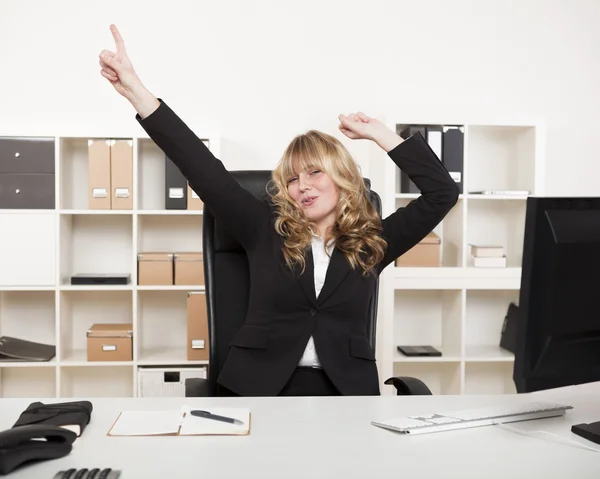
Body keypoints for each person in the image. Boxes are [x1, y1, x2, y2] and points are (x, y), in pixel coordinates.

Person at [99, 24, 459, 397]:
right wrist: (135, 91)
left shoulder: (372, 243)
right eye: (291, 179)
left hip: (345, 393)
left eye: (314, 172)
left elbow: (442, 192)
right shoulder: (263, 229)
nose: (301, 185)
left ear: (343, 178)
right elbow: (200, 166)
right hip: (261, 390)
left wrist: (380, 134)